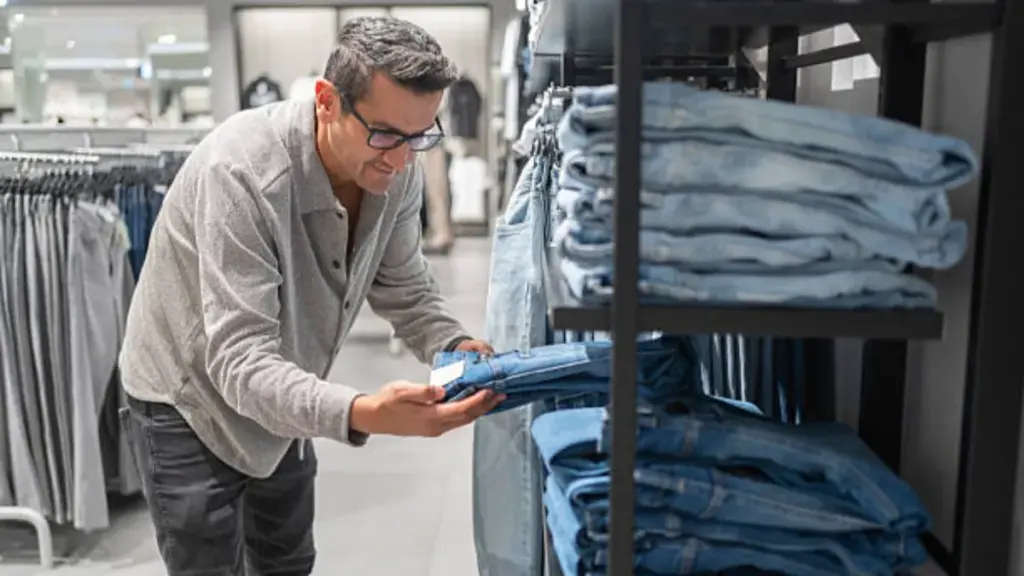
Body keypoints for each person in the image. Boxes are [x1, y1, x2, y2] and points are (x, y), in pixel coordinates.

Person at [118, 16, 503, 576]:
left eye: (419, 137)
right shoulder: (242, 171)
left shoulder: (396, 170)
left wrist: (455, 344)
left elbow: (403, 285)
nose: (399, 159)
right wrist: (363, 413)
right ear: (327, 101)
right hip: (188, 398)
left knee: (287, 560)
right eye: (385, 135)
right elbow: (239, 360)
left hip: (284, 385)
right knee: (207, 564)